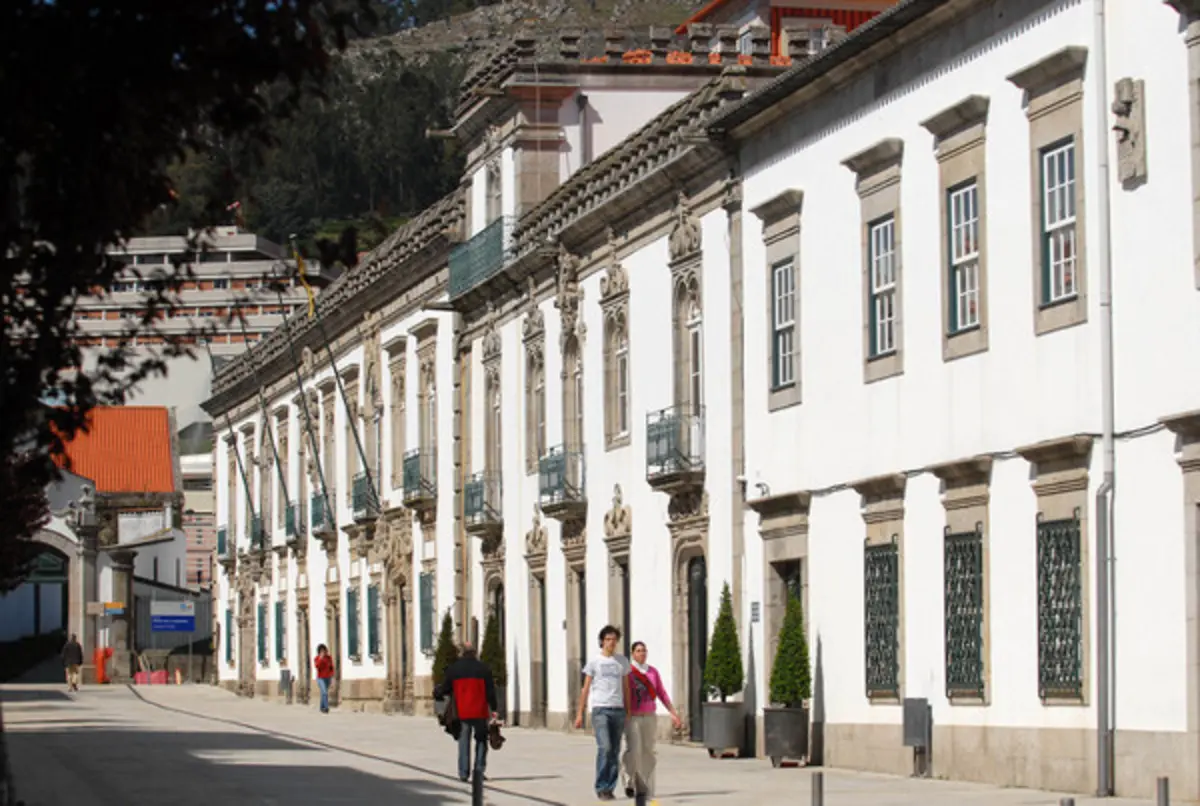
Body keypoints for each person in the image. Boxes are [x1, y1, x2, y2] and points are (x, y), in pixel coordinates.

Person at [574, 625, 630, 801]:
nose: (611, 643)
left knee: (614, 750)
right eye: (608, 639)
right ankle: (601, 785)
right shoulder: (594, 662)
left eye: (614, 640)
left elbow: (626, 687)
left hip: (618, 709)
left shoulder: (622, 662)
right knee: (604, 747)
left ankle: (609, 788)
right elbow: (585, 688)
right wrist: (580, 713)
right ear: (602, 641)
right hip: (601, 709)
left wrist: (628, 710)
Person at [621, 641, 682, 802]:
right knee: (633, 750)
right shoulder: (627, 672)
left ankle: (645, 784)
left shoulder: (653, 672)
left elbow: (661, 692)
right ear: (633, 654)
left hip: (649, 715)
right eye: (639, 651)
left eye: (644, 651)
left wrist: (673, 712)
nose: (642, 653)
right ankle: (629, 778)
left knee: (648, 751)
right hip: (632, 716)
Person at [434, 641, 498, 784]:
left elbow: (445, 688)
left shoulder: (454, 669)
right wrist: (494, 708)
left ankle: (463, 772)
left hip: (462, 711)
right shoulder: (483, 669)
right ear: (475, 653)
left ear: (462, 653)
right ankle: (479, 770)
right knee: (481, 739)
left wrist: (438, 692)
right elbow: (490, 692)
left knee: (464, 741)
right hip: (480, 710)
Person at [314, 644, 334, 714]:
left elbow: (331, 667)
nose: (323, 652)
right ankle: (326, 707)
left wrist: (332, 676)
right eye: (321, 651)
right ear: (319, 652)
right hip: (320, 678)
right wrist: (321, 658)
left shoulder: (329, 658)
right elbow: (317, 666)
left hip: (328, 677)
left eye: (324, 650)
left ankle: (321, 707)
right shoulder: (317, 658)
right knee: (325, 692)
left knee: (323, 693)